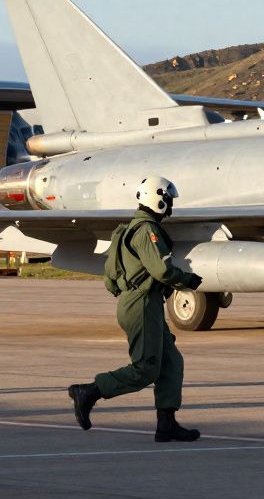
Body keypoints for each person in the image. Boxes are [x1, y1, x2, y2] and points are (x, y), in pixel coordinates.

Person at [67, 176, 205, 442]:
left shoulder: (137, 227)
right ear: (159, 199)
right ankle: (89, 392)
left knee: (171, 362)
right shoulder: (145, 230)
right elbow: (162, 269)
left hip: (146, 302)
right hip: (141, 303)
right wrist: (188, 280)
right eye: (169, 200)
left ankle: (166, 424)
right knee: (146, 369)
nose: (171, 205)